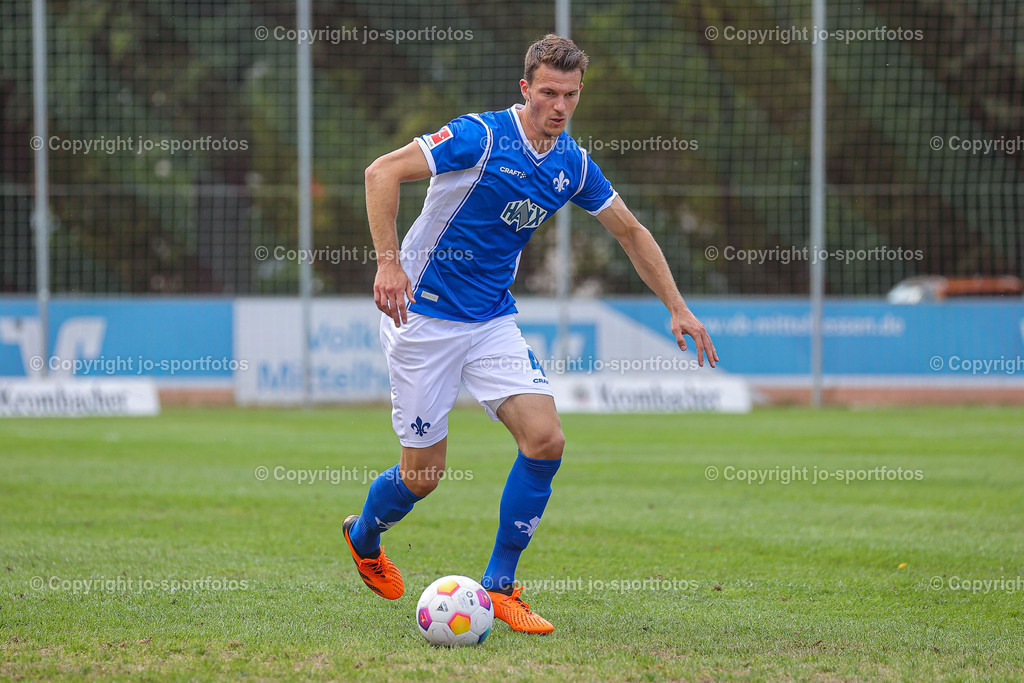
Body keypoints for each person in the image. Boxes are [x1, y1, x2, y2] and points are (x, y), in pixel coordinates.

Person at [343, 34, 718, 634]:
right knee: (423, 476)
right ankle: (364, 535)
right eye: (548, 92)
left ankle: (499, 587)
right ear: (526, 90)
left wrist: (677, 306)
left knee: (545, 440)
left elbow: (631, 231)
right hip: (424, 319)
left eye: (570, 94)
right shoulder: (480, 136)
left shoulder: (572, 164)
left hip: (491, 320)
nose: (560, 106)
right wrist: (388, 262)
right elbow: (380, 172)